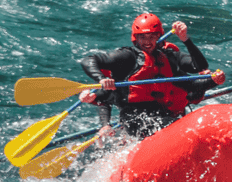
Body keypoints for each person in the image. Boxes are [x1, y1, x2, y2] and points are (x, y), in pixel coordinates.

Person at [79, 13, 221, 139]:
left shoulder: (167, 57)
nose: (147, 41)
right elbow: (88, 60)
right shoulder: (127, 56)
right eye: (142, 37)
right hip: (134, 118)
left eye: (152, 36)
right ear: (135, 38)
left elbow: (197, 72)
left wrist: (213, 81)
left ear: (159, 36)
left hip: (162, 114)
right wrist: (101, 79)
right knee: (179, 130)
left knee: (189, 127)